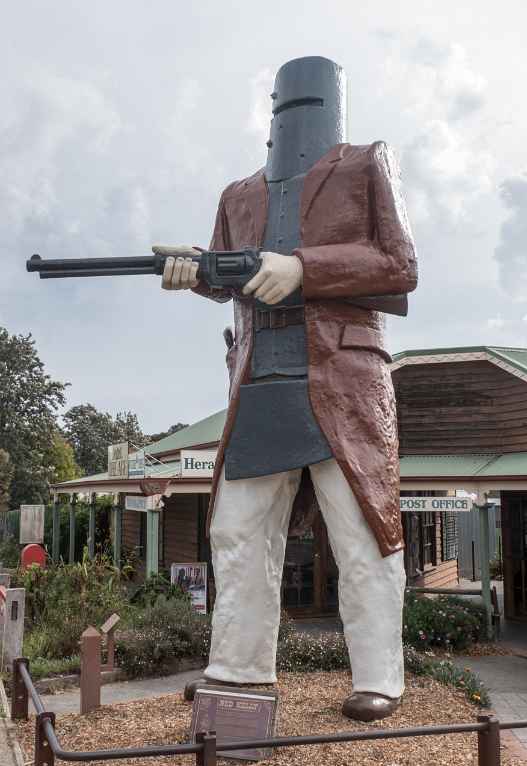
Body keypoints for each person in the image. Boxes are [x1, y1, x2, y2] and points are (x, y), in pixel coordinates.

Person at [154, 56, 417, 721]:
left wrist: (302, 266)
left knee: (361, 532)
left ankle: (380, 678)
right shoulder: (236, 194)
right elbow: (225, 275)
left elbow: (398, 264)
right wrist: (197, 272)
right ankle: (237, 671)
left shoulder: (364, 163)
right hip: (258, 382)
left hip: (344, 380)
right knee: (237, 533)